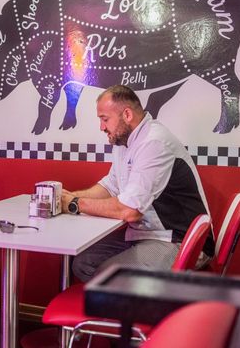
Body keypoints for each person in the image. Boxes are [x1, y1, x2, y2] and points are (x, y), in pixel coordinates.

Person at [62, 85, 215, 282]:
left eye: (105, 119)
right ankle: (121, 299)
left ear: (127, 114)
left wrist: (74, 204)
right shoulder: (124, 141)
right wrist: (68, 197)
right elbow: (110, 186)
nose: (101, 127)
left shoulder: (154, 142)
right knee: (83, 263)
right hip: (145, 234)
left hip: (180, 240)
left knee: (108, 275)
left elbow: (130, 210)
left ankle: (134, 300)